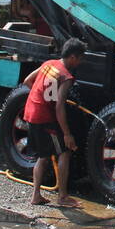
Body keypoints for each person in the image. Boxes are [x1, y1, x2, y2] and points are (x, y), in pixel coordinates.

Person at [22, 38, 86, 206]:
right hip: (45, 117)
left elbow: (28, 81)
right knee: (64, 151)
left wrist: (41, 97)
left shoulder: (48, 63)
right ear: (73, 57)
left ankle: (36, 195)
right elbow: (59, 107)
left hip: (31, 112)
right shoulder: (66, 77)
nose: (80, 62)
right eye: (80, 58)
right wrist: (67, 134)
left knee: (43, 156)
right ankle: (63, 196)